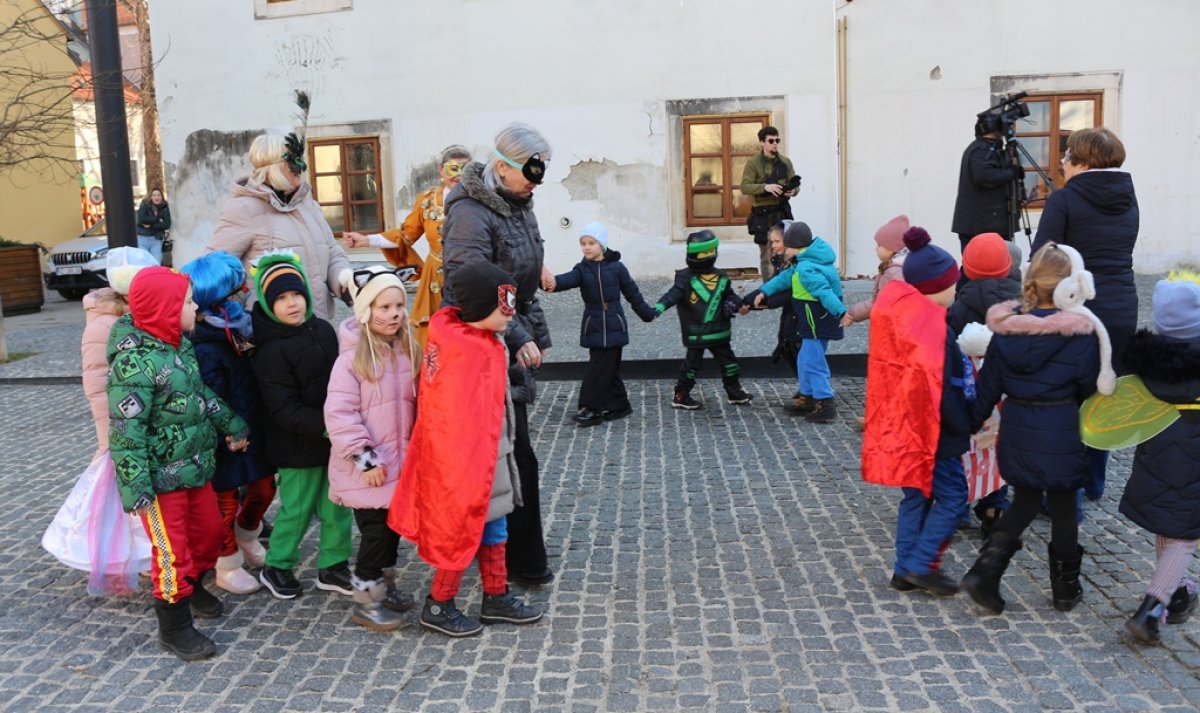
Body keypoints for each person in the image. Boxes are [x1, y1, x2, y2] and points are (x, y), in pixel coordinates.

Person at [389, 260, 543, 637]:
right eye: (502, 309)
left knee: (495, 523)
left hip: (492, 452)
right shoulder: (463, 352)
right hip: (466, 462)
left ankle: (496, 595)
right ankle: (439, 604)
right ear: (478, 310)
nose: (510, 317)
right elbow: (449, 416)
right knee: (460, 528)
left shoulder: (480, 339)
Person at [959, 243, 1114, 616]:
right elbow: (1088, 388)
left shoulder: (1006, 331)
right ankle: (1065, 590)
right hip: (1060, 426)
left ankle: (985, 571)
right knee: (1062, 505)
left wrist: (966, 424)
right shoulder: (1080, 333)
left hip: (1018, 426)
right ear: (1071, 285)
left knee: (1025, 500)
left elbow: (988, 388)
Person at [106, 266, 250, 661]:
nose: (194, 307)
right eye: (187, 302)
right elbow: (125, 432)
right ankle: (175, 625)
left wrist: (230, 422)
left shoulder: (178, 345)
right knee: (171, 553)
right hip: (158, 482)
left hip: (194, 469)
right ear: (166, 309)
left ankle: (193, 583)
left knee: (206, 536)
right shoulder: (133, 364)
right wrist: (136, 485)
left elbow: (198, 394)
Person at [440, 122, 554, 587]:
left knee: (509, 454)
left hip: (509, 330)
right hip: (484, 345)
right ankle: (513, 559)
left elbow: (522, 271)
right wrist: (518, 334)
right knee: (506, 455)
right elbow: (471, 281)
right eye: (530, 169)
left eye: (541, 170)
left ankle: (509, 552)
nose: (535, 179)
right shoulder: (471, 212)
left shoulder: (517, 201)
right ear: (502, 166)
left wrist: (533, 327)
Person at [861, 227, 971, 596]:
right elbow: (946, 391)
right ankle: (922, 564)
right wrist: (968, 422)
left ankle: (903, 568)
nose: (956, 289)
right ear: (937, 287)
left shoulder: (906, 317)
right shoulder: (936, 331)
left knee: (916, 496)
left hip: (906, 427)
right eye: (953, 283)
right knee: (953, 497)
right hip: (934, 433)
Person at [1030, 127, 1138, 502]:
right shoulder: (1128, 197)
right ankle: (1093, 481)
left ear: (1083, 161)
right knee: (1101, 394)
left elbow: (1043, 259)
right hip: (1121, 306)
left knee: (1066, 399)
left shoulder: (1065, 199)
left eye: (1066, 156)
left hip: (1077, 307)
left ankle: (1063, 492)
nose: (1061, 163)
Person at [41, 247, 157, 586]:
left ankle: (151, 549)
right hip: (118, 418)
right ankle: (131, 552)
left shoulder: (136, 315)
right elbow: (97, 377)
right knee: (118, 488)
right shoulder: (106, 323)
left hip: (139, 414)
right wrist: (110, 428)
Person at [250, 251, 354, 600]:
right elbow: (283, 408)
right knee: (297, 510)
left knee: (337, 504)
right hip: (296, 445)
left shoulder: (323, 330)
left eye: (296, 294)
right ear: (267, 304)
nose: (291, 303)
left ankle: (334, 565)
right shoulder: (269, 350)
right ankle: (277, 565)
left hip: (332, 440)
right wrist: (328, 425)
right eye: (280, 298)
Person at [325, 266, 418, 632]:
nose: (393, 313)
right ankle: (366, 599)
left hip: (400, 465)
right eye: (384, 307)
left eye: (398, 305)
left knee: (392, 529)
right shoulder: (351, 361)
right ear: (366, 311)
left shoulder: (407, 351)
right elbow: (340, 415)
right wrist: (366, 459)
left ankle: (384, 585)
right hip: (368, 468)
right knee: (376, 534)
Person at [178, 252, 276, 596]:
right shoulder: (203, 343)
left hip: (252, 424)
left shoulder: (238, 329)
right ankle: (227, 562)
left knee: (265, 488)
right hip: (225, 437)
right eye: (237, 287)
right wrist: (230, 430)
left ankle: (247, 535)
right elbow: (208, 395)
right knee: (225, 500)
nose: (244, 291)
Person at [1117, 274, 1200, 645]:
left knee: (1169, 526)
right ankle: (1152, 610)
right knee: (1183, 534)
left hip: (1154, 454)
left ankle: (1179, 589)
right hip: (1194, 462)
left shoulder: (1146, 363)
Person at [209, 132, 352, 321]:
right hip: (271, 334)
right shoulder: (242, 209)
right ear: (273, 168)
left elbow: (333, 253)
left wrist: (345, 282)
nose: (300, 167)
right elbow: (215, 268)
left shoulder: (309, 206)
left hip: (318, 329)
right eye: (292, 162)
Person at [344, 145, 473, 349]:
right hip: (436, 277)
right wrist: (367, 240)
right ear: (441, 170)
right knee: (434, 336)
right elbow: (404, 235)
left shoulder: (479, 201)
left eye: (465, 169)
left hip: (470, 274)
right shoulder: (427, 202)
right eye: (452, 169)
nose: (458, 175)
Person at [542, 222, 657, 427]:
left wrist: (647, 313)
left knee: (599, 369)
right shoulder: (582, 269)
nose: (586, 247)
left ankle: (591, 409)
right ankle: (619, 405)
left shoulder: (617, 268)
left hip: (615, 324)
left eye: (591, 243)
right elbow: (564, 281)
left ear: (601, 245)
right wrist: (548, 282)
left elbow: (632, 293)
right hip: (593, 325)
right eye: (583, 243)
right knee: (607, 369)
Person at [945, 234, 1022, 535]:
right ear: (1008, 266)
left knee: (966, 446)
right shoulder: (1020, 300)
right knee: (997, 447)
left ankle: (958, 507)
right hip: (1005, 389)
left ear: (967, 267)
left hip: (969, 387)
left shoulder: (961, 303)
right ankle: (995, 507)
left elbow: (949, 342)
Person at [748, 222, 845, 423]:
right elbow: (784, 279)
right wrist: (764, 292)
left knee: (813, 361)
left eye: (787, 245)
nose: (783, 249)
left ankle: (825, 402)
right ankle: (808, 395)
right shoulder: (801, 264)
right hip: (809, 321)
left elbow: (825, 293)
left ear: (796, 247)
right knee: (804, 358)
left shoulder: (808, 268)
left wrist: (842, 313)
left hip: (818, 321)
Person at [654, 229, 752, 410]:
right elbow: (673, 295)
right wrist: (659, 307)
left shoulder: (721, 277)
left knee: (730, 365)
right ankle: (681, 394)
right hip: (697, 332)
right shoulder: (685, 278)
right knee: (691, 366)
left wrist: (740, 305)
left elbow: (729, 295)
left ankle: (734, 391)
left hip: (719, 331)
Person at [950, 127, 1023, 254]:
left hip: (989, 225)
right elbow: (984, 177)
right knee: (982, 269)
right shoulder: (981, 150)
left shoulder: (992, 149)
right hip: (981, 227)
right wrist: (1012, 171)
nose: (1010, 128)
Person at [740, 126, 798, 280]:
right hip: (762, 215)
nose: (775, 144)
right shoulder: (753, 163)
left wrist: (793, 191)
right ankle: (769, 292)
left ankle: (786, 291)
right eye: (771, 141)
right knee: (767, 256)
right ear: (762, 142)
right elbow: (745, 187)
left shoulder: (785, 162)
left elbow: (795, 184)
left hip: (781, 212)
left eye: (777, 140)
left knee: (787, 253)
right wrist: (766, 187)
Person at [136, 187, 172, 265]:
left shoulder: (165, 207)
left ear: (162, 197)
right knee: (143, 264)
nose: (156, 197)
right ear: (151, 197)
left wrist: (151, 225)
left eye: (159, 195)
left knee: (156, 264)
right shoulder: (144, 205)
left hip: (156, 239)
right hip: (142, 238)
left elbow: (166, 224)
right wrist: (158, 219)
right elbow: (142, 219)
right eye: (154, 195)